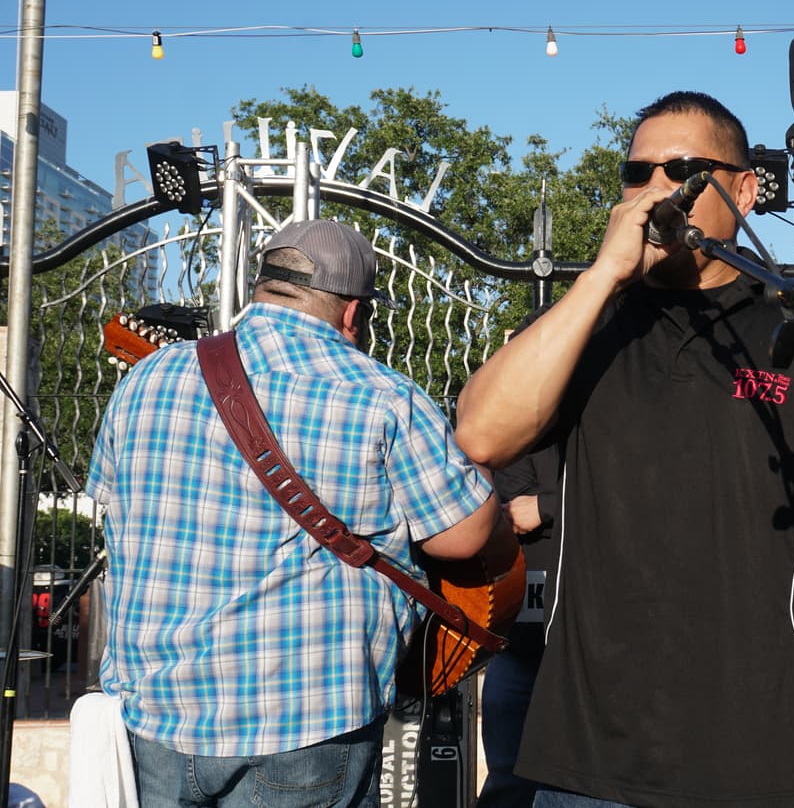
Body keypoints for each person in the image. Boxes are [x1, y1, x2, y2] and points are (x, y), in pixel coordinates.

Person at [455, 91, 794, 808]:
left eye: (682, 169)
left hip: (765, 761)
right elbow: (481, 433)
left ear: (743, 190)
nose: (656, 189)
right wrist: (598, 278)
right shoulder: (586, 326)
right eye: (637, 172)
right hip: (590, 769)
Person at [84, 219, 500, 806]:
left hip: (155, 718)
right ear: (353, 312)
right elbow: (464, 537)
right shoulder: (381, 394)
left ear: (264, 287)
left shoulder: (147, 378)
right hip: (304, 722)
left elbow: (110, 505)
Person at [478, 445, 561, 808]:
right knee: (509, 767)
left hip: (603, 618)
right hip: (528, 619)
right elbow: (513, 507)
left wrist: (545, 506)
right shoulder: (529, 431)